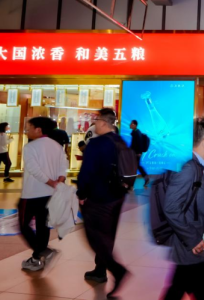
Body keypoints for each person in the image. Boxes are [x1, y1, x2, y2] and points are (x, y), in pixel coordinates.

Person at [163, 119, 204, 300]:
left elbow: (194, 196)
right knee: (200, 290)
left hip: (195, 243)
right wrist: (193, 240)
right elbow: (171, 208)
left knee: (179, 285)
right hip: (192, 243)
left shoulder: (198, 165)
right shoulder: (189, 168)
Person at [77, 108, 129, 298]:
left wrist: (81, 193)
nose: (95, 124)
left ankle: (116, 269)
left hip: (99, 198)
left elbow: (86, 172)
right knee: (107, 235)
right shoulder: (121, 142)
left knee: (94, 237)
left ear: (104, 122)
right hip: (118, 196)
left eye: (97, 120)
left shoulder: (97, 144)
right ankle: (100, 270)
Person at [18, 117, 68, 272]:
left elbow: (33, 169)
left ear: (38, 129)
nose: (27, 131)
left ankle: (42, 252)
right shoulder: (57, 146)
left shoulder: (30, 147)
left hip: (31, 193)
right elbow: (63, 166)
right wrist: (58, 182)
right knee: (43, 225)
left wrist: (51, 182)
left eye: (29, 127)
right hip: (50, 194)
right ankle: (37, 259)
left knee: (23, 225)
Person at [129, 120, 150, 187]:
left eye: (131, 124)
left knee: (135, 166)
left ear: (135, 125)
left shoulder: (137, 133)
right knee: (136, 166)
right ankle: (145, 178)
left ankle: (131, 182)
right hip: (135, 152)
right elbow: (134, 144)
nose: (130, 125)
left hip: (136, 153)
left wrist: (139, 152)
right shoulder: (135, 132)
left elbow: (139, 143)